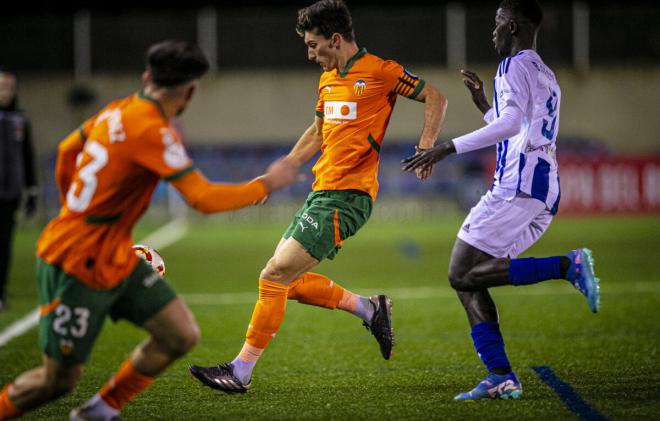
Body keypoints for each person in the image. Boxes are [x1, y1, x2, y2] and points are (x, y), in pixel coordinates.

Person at [0, 40, 298, 420]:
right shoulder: (153, 131)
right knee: (56, 381)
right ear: (189, 93)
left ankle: (101, 411)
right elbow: (202, 198)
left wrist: (70, 207)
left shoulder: (116, 111)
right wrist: (266, 185)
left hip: (111, 253)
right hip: (75, 262)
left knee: (180, 334)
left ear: (146, 77)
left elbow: (65, 153)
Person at [189, 0, 448, 394]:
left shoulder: (380, 71)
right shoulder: (327, 81)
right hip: (321, 193)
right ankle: (369, 308)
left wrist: (426, 144)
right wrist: (277, 175)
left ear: (336, 39)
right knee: (284, 281)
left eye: (313, 45)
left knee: (273, 275)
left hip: (349, 197)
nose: (310, 54)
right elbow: (316, 132)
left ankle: (241, 371)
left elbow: (436, 97)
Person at [402, 0, 600, 401]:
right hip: (542, 190)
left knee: (461, 273)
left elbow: (511, 125)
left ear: (511, 26)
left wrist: (444, 149)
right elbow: (518, 125)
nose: (491, 32)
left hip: (515, 188)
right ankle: (501, 375)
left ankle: (568, 265)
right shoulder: (544, 72)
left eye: (496, 25)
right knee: (473, 276)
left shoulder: (511, 68)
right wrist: (483, 105)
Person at [0, 67, 38, 311]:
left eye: (9, 87)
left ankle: (0, 291)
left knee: (4, 245)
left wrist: (32, 190)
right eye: (1, 87)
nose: (5, 92)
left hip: (9, 194)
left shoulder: (19, 121)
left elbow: (27, 156)